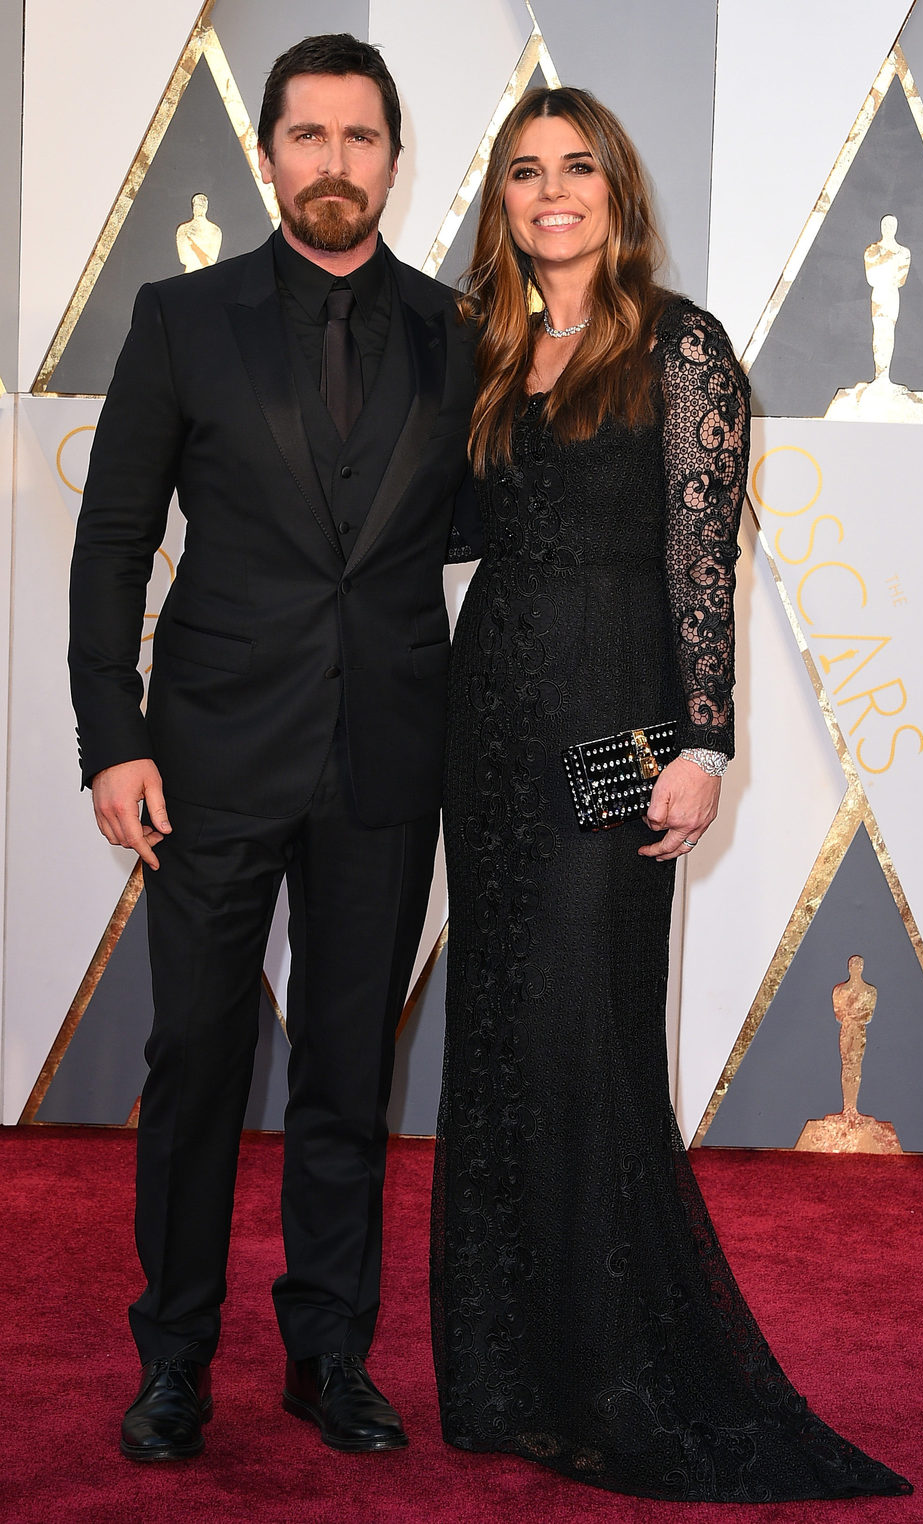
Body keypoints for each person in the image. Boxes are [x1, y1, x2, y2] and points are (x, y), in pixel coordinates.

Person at [430, 86, 911, 1502]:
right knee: (504, 1035)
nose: (552, 192)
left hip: (618, 726)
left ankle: (621, 1371)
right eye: (525, 172)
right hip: (494, 729)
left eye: (577, 167)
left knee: (587, 1030)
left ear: (617, 190)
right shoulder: (491, 349)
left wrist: (706, 746)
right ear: (502, 200)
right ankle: (514, 1373)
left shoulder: (679, 346)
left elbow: (705, 565)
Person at [69, 33, 477, 1462]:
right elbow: (115, 539)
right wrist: (110, 738)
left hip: (386, 763)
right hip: (210, 757)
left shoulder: (460, 330)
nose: (335, 163)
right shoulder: (181, 318)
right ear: (267, 156)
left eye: (363, 139)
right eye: (309, 137)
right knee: (195, 1057)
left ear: (393, 157)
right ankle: (174, 1359)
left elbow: (489, 537)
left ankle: (327, 1354)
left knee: (348, 1071)